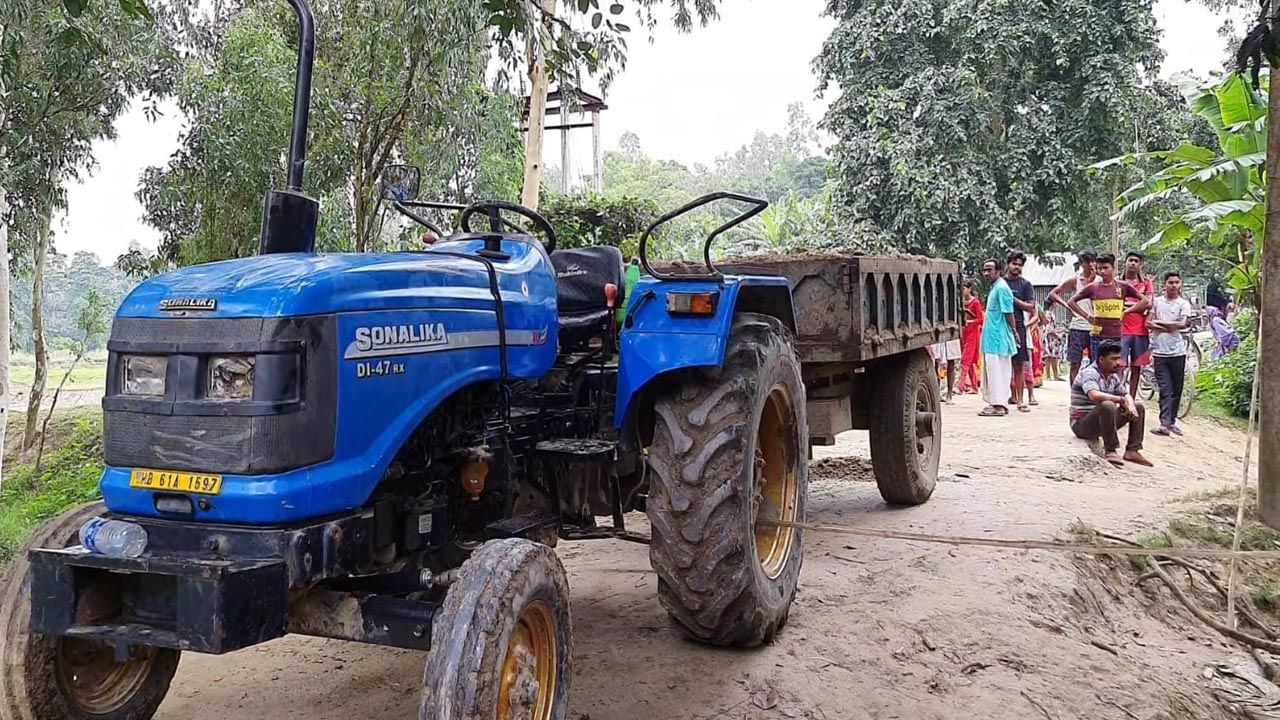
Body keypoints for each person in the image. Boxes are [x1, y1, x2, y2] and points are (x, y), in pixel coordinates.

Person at [1070, 341, 1153, 468]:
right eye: (1113, 359)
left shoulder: (1112, 376)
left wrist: (1130, 406)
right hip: (1081, 424)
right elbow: (1094, 395)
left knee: (1138, 406)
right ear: (1102, 359)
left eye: (1119, 358)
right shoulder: (1090, 373)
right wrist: (1120, 400)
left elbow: (1126, 394)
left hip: (1101, 422)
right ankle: (1111, 450)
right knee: (1107, 405)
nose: (1118, 363)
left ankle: (1132, 450)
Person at [1066, 253, 1144, 364]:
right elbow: (1071, 302)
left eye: (1105, 268)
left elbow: (1145, 301)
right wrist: (1087, 316)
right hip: (1097, 336)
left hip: (1116, 336)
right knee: (1097, 366)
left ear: (1113, 268)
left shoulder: (1122, 286)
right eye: (1099, 268)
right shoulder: (1093, 287)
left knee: (1116, 366)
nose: (1102, 271)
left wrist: (1127, 311)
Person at [1148, 271, 1192, 437]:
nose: (1173, 285)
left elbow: (1181, 324)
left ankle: (1171, 422)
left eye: (1176, 282)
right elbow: (1148, 322)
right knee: (1165, 388)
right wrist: (1169, 326)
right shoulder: (1157, 302)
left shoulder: (1183, 303)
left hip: (1178, 352)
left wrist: (1159, 323)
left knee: (1177, 388)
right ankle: (1164, 423)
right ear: (1164, 284)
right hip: (1160, 352)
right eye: (1170, 282)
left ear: (1180, 284)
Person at [1046, 250, 1099, 386]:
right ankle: (1074, 394)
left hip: (1096, 327)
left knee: (1096, 363)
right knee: (1075, 362)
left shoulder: (1100, 280)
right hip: (1077, 326)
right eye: (1088, 262)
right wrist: (1068, 306)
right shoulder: (1076, 280)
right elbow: (1053, 293)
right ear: (1082, 264)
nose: (1092, 264)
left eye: (1094, 261)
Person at [979, 259, 1020, 417]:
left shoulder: (1002, 288)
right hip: (992, 337)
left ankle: (999, 405)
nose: (986, 273)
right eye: (985, 270)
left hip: (998, 338)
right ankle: (995, 403)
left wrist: (1014, 331)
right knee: (993, 371)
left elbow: (1008, 312)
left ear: (998, 271)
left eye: (989, 270)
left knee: (998, 371)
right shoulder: (995, 287)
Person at [1004, 251, 1038, 412]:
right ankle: (1003, 399)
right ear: (1008, 264)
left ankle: (1020, 400)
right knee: (1002, 364)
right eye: (1014, 264)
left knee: (1019, 364)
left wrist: (1013, 299)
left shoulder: (1025, 285)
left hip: (1019, 327)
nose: (1016, 267)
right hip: (1000, 327)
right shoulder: (1000, 283)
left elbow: (1031, 306)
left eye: (1019, 265)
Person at [1119, 252, 1154, 398]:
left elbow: (1149, 304)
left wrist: (1126, 308)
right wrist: (1139, 304)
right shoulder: (1117, 282)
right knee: (1119, 366)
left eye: (1136, 261)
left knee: (1136, 367)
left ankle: (1131, 399)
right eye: (1130, 260)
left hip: (1140, 331)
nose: (1133, 263)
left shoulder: (1146, 282)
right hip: (1120, 330)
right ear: (1125, 262)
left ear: (1140, 265)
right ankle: (1119, 397)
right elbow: (1115, 303)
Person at [959, 279, 984, 393]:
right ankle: (974, 387)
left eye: (964, 288)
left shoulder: (975, 302)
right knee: (968, 361)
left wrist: (970, 322)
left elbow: (981, 319)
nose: (962, 291)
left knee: (965, 360)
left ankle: (960, 386)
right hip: (963, 333)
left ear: (969, 289)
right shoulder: (960, 301)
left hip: (972, 333)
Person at [1044, 312, 1065, 382]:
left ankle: (1055, 375)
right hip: (1050, 339)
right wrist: (1058, 335)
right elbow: (1049, 329)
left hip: (1053, 340)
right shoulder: (1048, 313)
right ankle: (1048, 376)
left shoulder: (1051, 313)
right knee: (1049, 357)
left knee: (1054, 357)